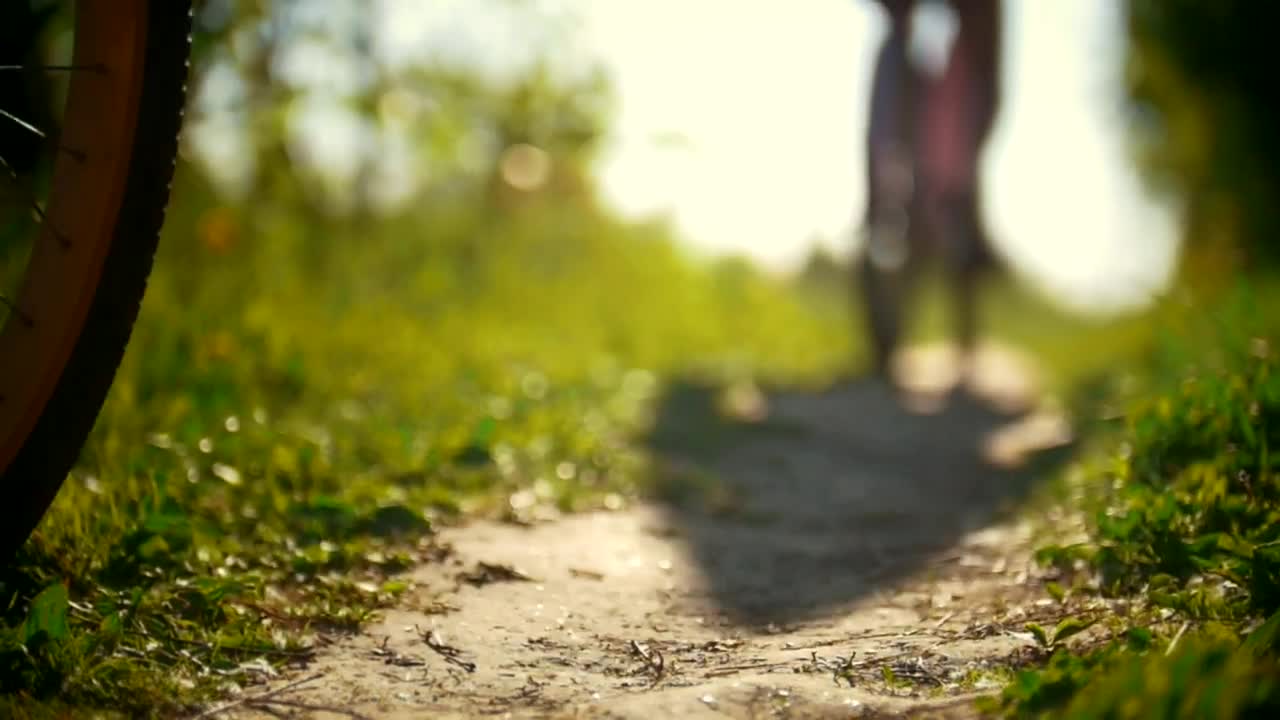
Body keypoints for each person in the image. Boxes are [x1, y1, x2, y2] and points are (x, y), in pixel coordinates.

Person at [856, 0, 1003, 390]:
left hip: (943, 171)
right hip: (912, 165)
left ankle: (960, 346)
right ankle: (886, 347)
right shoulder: (902, 59)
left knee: (956, 249)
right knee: (905, 245)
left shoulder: (955, 63)